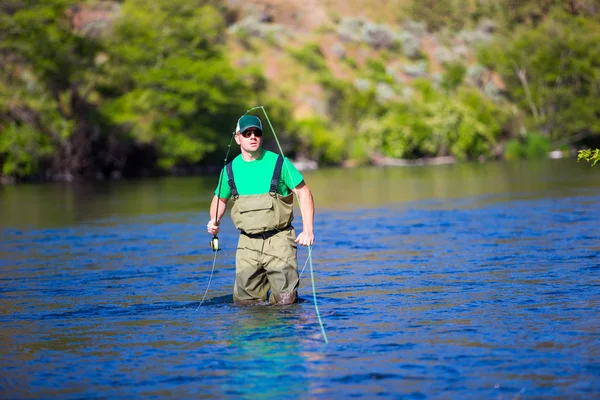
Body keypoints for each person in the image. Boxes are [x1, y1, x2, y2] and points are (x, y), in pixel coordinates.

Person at [206, 114, 315, 305]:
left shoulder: (280, 163)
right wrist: (214, 221)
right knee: (245, 304)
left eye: (256, 132)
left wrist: (308, 231)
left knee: (285, 303)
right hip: (247, 244)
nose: (252, 136)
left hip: (280, 241)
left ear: (261, 136)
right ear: (238, 138)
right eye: (247, 133)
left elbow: (304, 193)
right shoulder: (229, 170)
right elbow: (219, 199)